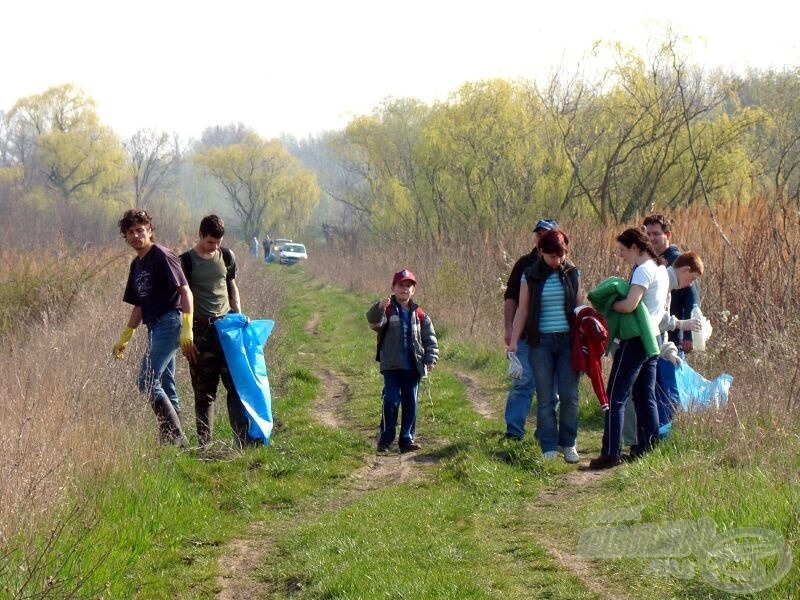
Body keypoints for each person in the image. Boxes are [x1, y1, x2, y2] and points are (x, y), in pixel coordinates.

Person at [589, 228, 669, 469]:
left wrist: (610, 304)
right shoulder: (660, 269)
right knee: (645, 396)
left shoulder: (643, 270)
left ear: (635, 247)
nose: (621, 255)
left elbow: (629, 305)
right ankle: (649, 447)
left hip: (634, 339)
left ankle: (611, 452)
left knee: (615, 396)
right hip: (651, 339)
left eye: (623, 250)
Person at [112, 209, 193, 447]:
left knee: (146, 380)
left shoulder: (162, 255)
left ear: (149, 231)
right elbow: (139, 304)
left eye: (140, 230)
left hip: (170, 322)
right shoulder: (136, 265)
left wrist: (187, 328)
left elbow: (185, 291)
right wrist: (125, 336)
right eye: (130, 232)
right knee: (165, 383)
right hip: (154, 326)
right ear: (125, 237)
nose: (136, 235)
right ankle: (174, 441)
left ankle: (175, 435)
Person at [508, 229, 583, 463]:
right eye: (552, 256)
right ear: (541, 252)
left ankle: (568, 443)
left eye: (561, 256)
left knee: (570, 396)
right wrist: (513, 342)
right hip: (540, 344)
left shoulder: (572, 273)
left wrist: (588, 331)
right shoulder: (529, 275)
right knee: (546, 397)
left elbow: (581, 306)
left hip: (567, 342)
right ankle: (548, 445)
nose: (557, 261)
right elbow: (523, 310)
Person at [180, 214, 253, 449]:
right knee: (204, 393)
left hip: (228, 331)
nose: (214, 247)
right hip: (201, 333)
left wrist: (238, 316)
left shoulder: (227, 256)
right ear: (200, 235)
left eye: (218, 242)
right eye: (210, 242)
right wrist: (186, 335)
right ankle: (205, 446)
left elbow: (232, 287)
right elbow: (182, 299)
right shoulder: (185, 262)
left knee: (235, 387)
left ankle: (241, 441)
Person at [367, 269, 438, 453]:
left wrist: (430, 358)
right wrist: (378, 308)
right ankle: (386, 438)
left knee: (411, 401)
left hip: (412, 367)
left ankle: (407, 439)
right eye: (401, 285)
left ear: (413, 291)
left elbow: (430, 339)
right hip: (391, 366)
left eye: (408, 286)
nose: (404, 289)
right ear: (393, 287)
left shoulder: (420, 315)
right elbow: (374, 323)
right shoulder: (387, 309)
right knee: (390, 400)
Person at [643, 214, 701, 433]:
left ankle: (667, 431)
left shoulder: (678, 261)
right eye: (648, 234)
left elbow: (692, 299)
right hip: (659, 335)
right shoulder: (650, 261)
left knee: (669, 388)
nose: (652, 238)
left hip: (672, 337)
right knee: (656, 388)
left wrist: (687, 336)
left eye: (657, 233)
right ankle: (657, 430)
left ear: (668, 235)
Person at [502, 218, 559, 440]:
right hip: (526, 336)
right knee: (523, 381)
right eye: (538, 234)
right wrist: (509, 329)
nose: (541, 238)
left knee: (551, 390)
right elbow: (511, 298)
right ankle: (514, 432)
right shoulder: (523, 264)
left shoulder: (563, 265)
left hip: (554, 337)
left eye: (546, 234)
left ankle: (545, 434)